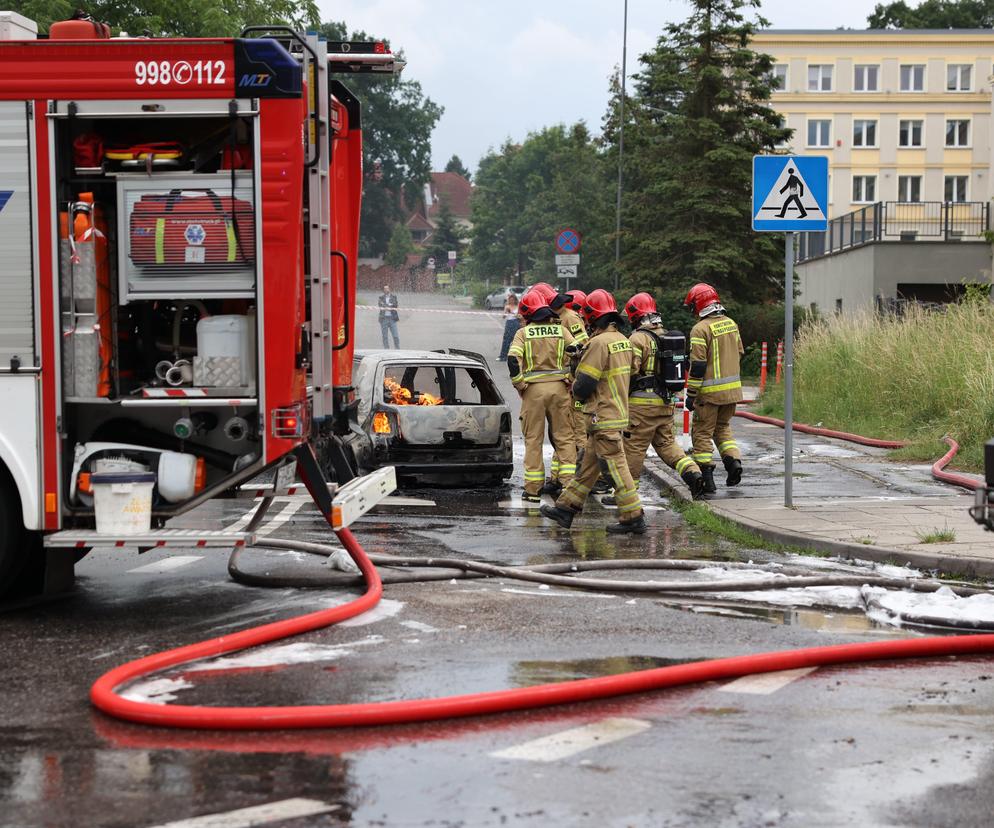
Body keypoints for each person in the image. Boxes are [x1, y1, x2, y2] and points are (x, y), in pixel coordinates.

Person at [540, 289, 645, 534]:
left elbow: (585, 384)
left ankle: (633, 516)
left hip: (603, 415)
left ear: (592, 315)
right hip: (616, 412)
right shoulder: (622, 340)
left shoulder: (598, 343)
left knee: (616, 468)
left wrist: (575, 373)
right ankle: (566, 508)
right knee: (586, 467)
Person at [602, 292, 704, 502]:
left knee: (634, 448)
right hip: (665, 403)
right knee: (667, 445)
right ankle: (693, 472)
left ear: (635, 316)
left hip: (641, 406)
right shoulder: (666, 336)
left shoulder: (638, 338)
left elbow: (631, 369)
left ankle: (625, 495)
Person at [507, 289, 577, 503]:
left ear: (528, 314)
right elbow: (578, 352)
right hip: (560, 390)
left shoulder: (523, 334)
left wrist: (520, 384)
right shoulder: (560, 330)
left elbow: (512, 360)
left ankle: (533, 491)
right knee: (565, 439)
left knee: (533, 440)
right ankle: (568, 487)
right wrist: (571, 377)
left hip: (533, 392)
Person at [684, 282, 744, 494]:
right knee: (723, 429)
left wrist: (691, 394)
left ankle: (707, 481)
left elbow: (698, 365)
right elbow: (738, 353)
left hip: (708, 395)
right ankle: (733, 462)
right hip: (732, 392)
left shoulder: (700, 329)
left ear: (698, 305)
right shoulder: (731, 323)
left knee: (701, 433)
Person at [497, 292, 520, 361]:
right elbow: (503, 316)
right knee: (506, 339)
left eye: (513, 299)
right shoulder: (507, 306)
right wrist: (506, 312)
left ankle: (514, 356)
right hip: (509, 322)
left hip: (516, 322)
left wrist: (515, 315)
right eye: (510, 299)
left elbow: (519, 316)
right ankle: (503, 356)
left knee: (515, 339)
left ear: (515, 300)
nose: (511, 301)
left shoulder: (518, 306)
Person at [378, 284, 400, 348]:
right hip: (383, 319)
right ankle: (386, 349)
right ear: (383, 290)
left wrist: (386, 305)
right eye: (384, 288)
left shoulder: (394, 297)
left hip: (392, 319)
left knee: (395, 335)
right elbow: (380, 305)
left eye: (387, 288)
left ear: (389, 289)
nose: (386, 290)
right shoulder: (381, 297)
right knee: (385, 336)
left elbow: (395, 305)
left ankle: (397, 349)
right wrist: (389, 305)